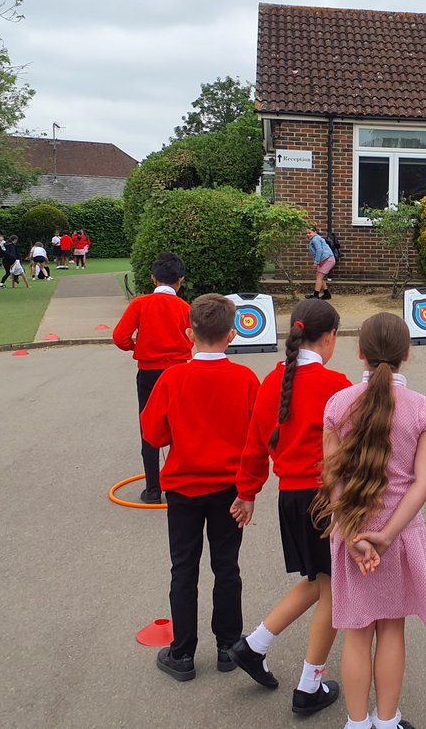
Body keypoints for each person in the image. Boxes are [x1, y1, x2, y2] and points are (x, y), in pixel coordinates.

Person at [312, 312, 426, 729]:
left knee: (357, 631)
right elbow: (424, 483)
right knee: (392, 629)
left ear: (360, 353)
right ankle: (387, 721)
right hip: (397, 536)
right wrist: (385, 535)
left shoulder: (338, 404)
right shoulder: (422, 410)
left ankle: (356, 722)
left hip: (351, 534)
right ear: (407, 354)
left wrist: (350, 534)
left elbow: (332, 476)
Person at [228, 299, 352, 715]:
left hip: (290, 498)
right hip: (325, 498)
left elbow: (254, 444)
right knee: (334, 591)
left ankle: (254, 645)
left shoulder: (273, 381)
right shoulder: (336, 383)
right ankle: (308, 686)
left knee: (319, 581)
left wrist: (247, 492)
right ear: (330, 336)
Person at [141, 293, 260, 682]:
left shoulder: (173, 377)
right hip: (228, 490)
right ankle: (228, 646)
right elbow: (257, 440)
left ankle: (183, 653)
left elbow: (153, 434)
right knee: (227, 567)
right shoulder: (245, 379)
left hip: (183, 491)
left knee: (183, 569)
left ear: (189, 333)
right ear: (231, 335)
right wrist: (249, 491)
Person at [113, 253, 193, 503]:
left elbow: (119, 337)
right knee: (179, 426)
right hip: (179, 372)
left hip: (149, 371)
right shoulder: (185, 307)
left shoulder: (140, 304)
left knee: (149, 426)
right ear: (180, 281)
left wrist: (135, 347)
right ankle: (178, 484)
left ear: (153, 278)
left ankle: (153, 489)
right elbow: (193, 337)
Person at [305, 226, 335, 300]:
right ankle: (326, 294)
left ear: (315, 232)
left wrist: (316, 262)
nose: (308, 234)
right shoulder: (315, 238)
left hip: (327, 259)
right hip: (325, 259)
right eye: (307, 233)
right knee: (319, 276)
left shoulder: (315, 239)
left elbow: (319, 250)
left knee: (319, 277)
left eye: (309, 232)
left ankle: (315, 296)